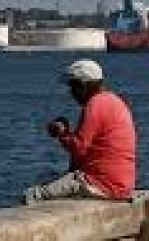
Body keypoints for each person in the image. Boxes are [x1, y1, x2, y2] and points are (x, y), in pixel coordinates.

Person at [23, 59, 137, 204]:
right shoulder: (114, 101)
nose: (71, 93)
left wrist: (61, 133)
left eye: (73, 86)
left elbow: (78, 147)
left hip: (101, 184)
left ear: (83, 85)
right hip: (122, 185)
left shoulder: (95, 104)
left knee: (32, 195)